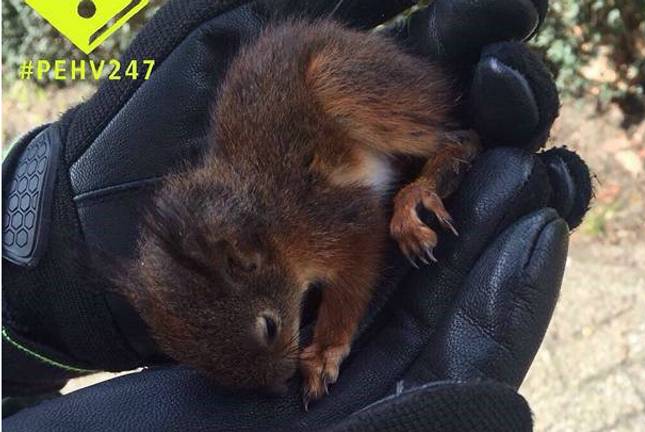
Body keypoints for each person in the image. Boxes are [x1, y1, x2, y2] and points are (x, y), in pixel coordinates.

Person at [1, 0, 592, 430]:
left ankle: (446, 154)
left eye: (270, 329)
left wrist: (331, 343)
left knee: (336, 85)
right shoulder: (248, 257)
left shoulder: (289, 232)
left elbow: (356, 249)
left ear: (248, 257)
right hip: (344, 161)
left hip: (350, 102)